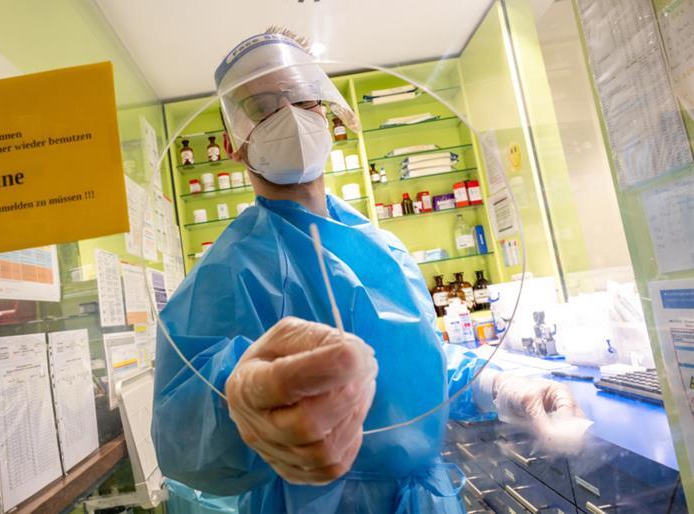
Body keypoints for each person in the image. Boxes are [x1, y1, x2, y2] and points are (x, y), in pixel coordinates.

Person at [152, 27, 583, 513]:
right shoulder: (227, 274)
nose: (289, 115)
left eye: (301, 97)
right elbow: (180, 441)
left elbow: (414, 363)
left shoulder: (384, 248)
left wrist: (501, 387)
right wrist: (237, 408)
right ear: (233, 145)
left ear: (331, 113)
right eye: (262, 105)